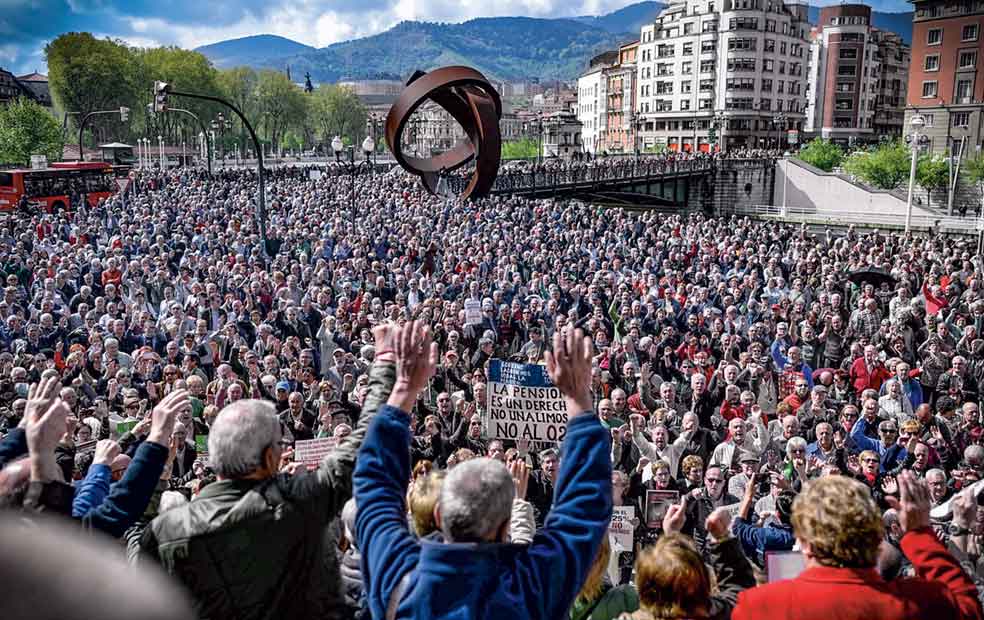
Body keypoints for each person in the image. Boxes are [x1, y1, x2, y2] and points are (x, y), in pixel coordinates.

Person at [354, 324, 612, 620]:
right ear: (506, 526)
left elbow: (374, 490)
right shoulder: (530, 589)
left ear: (439, 513)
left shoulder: (397, 579)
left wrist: (401, 388)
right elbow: (583, 510)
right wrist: (579, 399)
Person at [139, 325, 397, 620]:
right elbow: (363, 444)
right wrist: (387, 364)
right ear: (269, 457)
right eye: (279, 444)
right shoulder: (296, 505)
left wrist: (154, 446)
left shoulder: (164, 531)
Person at [732, 472, 984, 620]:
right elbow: (967, 608)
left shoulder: (758, 606)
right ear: (875, 537)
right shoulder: (914, 601)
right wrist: (920, 534)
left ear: (805, 543)